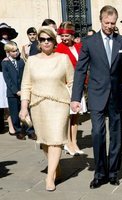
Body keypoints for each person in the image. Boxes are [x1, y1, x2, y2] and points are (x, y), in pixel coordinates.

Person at [71, 5, 122, 189]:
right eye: (106, 22)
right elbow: (80, 70)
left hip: (117, 95)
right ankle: (99, 172)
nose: (109, 26)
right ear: (100, 21)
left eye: (112, 23)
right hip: (96, 94)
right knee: (98, 133)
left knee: (116, 135)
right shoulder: (89, 42)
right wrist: (75, 98)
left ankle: (113, 172)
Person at [19, 26, 74, 191]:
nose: (45, 42)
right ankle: (55, 167)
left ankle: (49, 177)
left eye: (48, 39)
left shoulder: (63, 59)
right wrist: (23, 107)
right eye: (42, 39)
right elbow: (26, 84)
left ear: (54, 41)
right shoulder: (32, 60)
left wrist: (71, 100)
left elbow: (71, 82)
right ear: (38, 42)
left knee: (56, 139)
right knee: (44, 141)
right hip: (38, 105)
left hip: (59, 105)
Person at [55, 21, 86, 156]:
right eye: (62, 36)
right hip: (66, 86)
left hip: (79, 85)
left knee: (76, 116)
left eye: (67, 36)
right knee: (68, 116)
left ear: (72, 35)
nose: (64, 39)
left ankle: (74, 142)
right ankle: (67, 143)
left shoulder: (80, 46)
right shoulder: (59, 49)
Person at [2, 41, 36, 140]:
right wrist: (16, 91)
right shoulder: (5, 63)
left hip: (23, 91)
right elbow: (7, 79)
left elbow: (25, 76)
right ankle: (18, 130)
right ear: (8, 52)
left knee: (26, 111)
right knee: (14, 113)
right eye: (13, 51)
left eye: (16, 50)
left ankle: (30, 130)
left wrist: (24, 90)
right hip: (12, 93)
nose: (16, 52)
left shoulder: (21, 61)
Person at [0, 23, 18, 134]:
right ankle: (10, 125)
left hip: (13, 73)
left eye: (6, 31)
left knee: (13, 98)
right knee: (4, 100)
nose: (4, 33)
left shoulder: (13, 44)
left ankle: (15, 124)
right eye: (2, 31)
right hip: (2, 74)